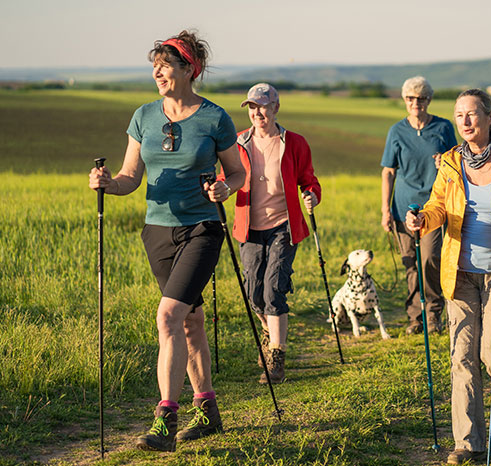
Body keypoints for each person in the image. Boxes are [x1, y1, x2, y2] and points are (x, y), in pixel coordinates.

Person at [89, 30, 245, 452]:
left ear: (188, 69)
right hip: (157, 232)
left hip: (201, 229)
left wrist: (224, 189)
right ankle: (208, 409)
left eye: (165, 64)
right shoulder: (143, 116)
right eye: (154, 65)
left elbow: (237, 172)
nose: (157, 71)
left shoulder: (214, 118)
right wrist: (106, 183)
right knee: (190, 322)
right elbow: (129, 178)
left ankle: (165, 421)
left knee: (168, 317)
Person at [406, 89, 491, 465]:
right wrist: (421, 220)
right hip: (460, 273)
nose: (465, 121)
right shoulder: (449, 163)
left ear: (489, 117)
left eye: (472, 114)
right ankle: (469, 443)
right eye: (459, 115)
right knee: (462, 358)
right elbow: (436, 206)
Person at [231, 83, 321, 383]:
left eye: (263, 106)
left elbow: (309, 180)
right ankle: (271, 330)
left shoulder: (294, 142)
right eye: (252, 107)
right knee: (253, 293)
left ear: (276, 108)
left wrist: (311, 195)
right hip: (249, 227)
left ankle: (277, 356)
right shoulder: (238, 142)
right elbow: (228, 177)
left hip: (284, 225)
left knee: (273, 290)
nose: (258, 112)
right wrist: (217, 187)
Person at [381, 76, 457, 335]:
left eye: (422, 98)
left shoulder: (443, 127)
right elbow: (388, 172)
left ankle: (434, 312)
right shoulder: (396, 131)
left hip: (434, 206)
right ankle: (416, 316)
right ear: (404, 100)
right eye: (411, 98)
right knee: (410, 263)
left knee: (431, 258)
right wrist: (385, 211)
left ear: (429, 100)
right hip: (402, 207)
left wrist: (443, 163)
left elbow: (456, 162)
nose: (416, 103)